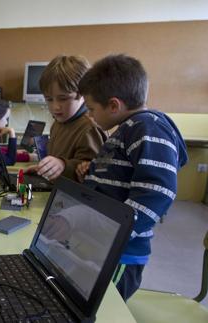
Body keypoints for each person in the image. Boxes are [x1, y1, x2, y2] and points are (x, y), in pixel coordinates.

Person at [75, 54, 188, 300]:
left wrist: (114, 235)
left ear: (114, 106)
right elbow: (119, 175)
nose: (90, 116)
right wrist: (93, 171)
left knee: (103, 307)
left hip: (120, 252)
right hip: (105, 246)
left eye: (92, 109)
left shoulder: (147, 127)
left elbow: (157, 192)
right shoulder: (128, 129)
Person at [27, 55, 107, 181]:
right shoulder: (57, 123)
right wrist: (45, 169)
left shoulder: (89, 128)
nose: (55, 107)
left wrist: (63, 165)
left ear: (82, 94)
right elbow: (56, 158)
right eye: (49, 99)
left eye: (63, 98)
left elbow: (94, 171)